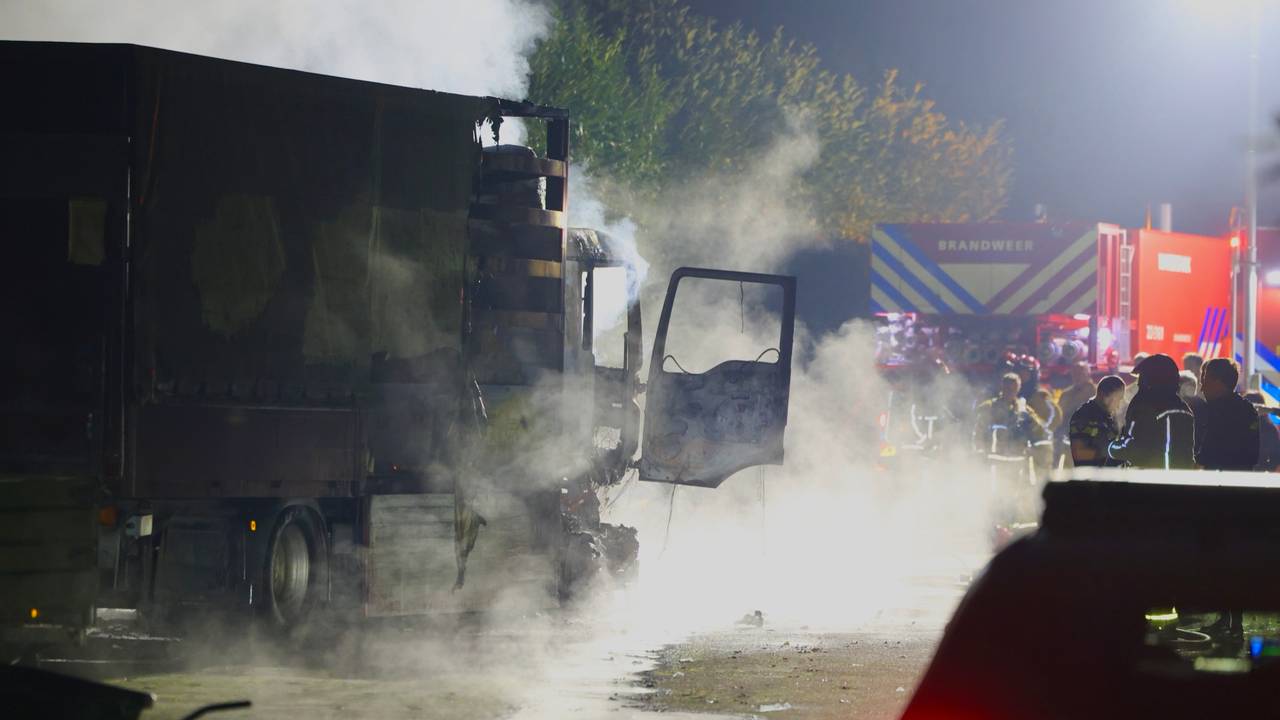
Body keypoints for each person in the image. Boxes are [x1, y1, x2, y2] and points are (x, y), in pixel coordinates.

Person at [1107, 354, 1195, 469]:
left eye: (1142, 378)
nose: (1139, 383)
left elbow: (1133, 447)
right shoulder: (1184, 409)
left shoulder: (1143, 406)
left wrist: (1110, 447)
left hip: (1148, 479)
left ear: (1149, 379)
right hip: (1180, 481)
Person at [1196, 358, 1259, 471]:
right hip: (1242, 480)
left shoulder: (1213, 412)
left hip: (1215, 479)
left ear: (1218, 383)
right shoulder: (1248, 410)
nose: (1202, 389)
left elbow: (1207, 452)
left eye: (1205, 382)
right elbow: (1254, 455)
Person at [973, 373, 1047, 457]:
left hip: (1017, 456)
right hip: (993, 455)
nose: (1010, 392)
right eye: (1007, 388)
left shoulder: (1024, 410)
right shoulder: (989, 407)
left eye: (1013, 389)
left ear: (1018, 389)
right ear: (1002, 388)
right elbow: (978, 431)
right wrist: (980, 449)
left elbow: (1039, 431)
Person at [1068, 375, 1125, 467]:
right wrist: (1112, 453)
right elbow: (1079, 454)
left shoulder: (1109, 416)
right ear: (1103, 395)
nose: (1118, 405)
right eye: (1117, 399)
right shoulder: (1084, 416)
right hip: (1091, 478)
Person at [1056, 362, 1097, 464]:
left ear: (1088, 374)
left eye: (1080, 373)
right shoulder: (1066, 395)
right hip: (1069, 440)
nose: (1077, 376)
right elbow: (1060, 418)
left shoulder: (1098, 393)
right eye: (1075, 373)